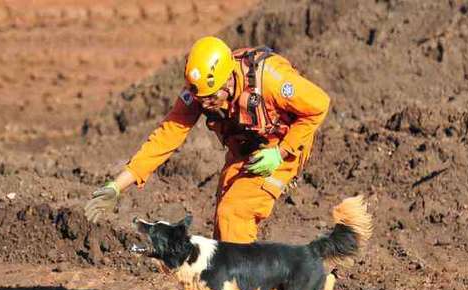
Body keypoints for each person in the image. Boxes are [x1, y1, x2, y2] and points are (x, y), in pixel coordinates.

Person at [84, 35, 330, 244]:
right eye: (200, 98)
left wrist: (281, 152)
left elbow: (319, 105)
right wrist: (117, 186)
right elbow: (165, 137)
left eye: (211, 98)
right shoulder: (199, 92)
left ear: (229, 79)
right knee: (224, 228)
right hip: (245, 150)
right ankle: (244, 287)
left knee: (234, 212)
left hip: (284, 147)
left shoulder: (271, 79)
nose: (205, 104)